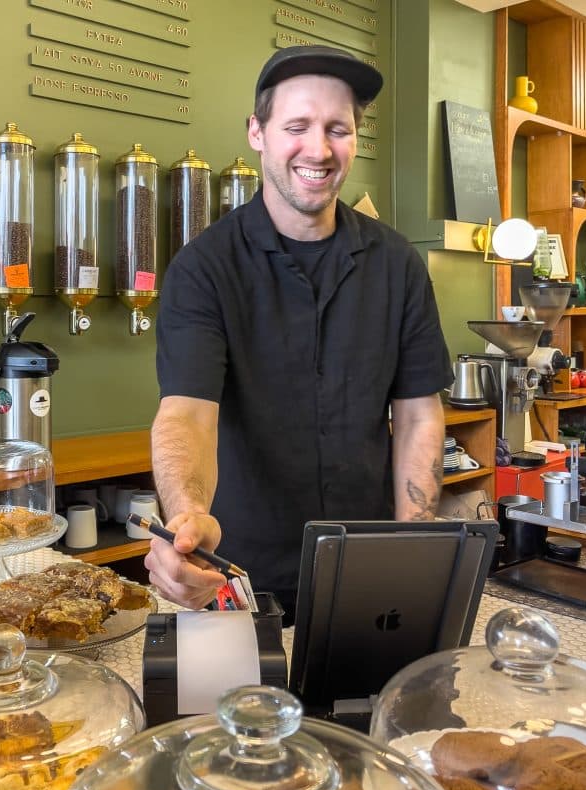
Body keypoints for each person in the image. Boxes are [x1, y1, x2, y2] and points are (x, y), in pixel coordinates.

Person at [146, 44, 453, 621]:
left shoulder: (397, 263)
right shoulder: (204, 268)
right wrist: (187, 518)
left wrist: (417, 541)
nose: (319, 148)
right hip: (236, 575)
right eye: (297, 126)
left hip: (369, 568)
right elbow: (186, 413)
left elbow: (418, 413)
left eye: (337, 128)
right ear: (256, 132)